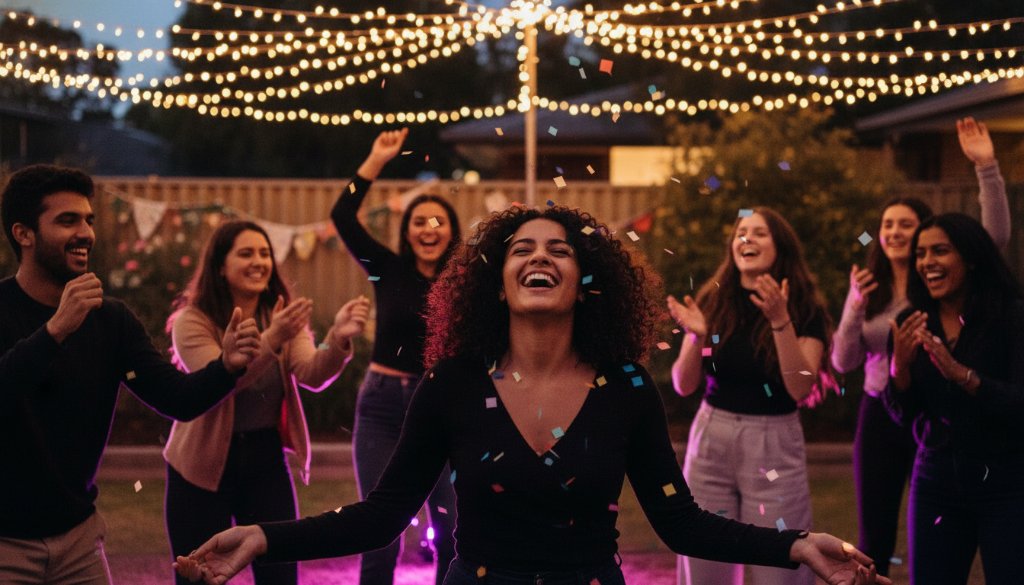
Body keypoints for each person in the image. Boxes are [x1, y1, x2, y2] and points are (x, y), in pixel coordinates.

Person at [175, 205, 889, 585]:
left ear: (586, 281)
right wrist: (265, 536)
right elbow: (382, 514)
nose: (540, 255)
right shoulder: (452, 383)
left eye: (559, 249)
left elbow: (682, 524)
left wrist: (799, 545)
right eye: (521, 248)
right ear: (497, 282)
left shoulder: (627, 387)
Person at [0, 164, 261, 584]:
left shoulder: (110, 320)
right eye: (67, 221)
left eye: (88, 220)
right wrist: (55, 331)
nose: (85, 233)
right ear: (23, 234)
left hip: (78, 541)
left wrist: (226, 367)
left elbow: (177, 398)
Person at [830, 116, 1010, 576]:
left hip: (948, 422)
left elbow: (992, 240)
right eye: (887, 224)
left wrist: (986, 168)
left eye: (906, 224)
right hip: (884, 406)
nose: (894, 231)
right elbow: (843, 361)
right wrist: (855, 308)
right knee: (876, 532)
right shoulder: (871, 292)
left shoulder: (949, 295)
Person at [162, 220, 371, 585]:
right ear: (220, 266)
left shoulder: (281, 317)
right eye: (246, 254)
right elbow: (218, 382)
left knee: (280, 573)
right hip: (199, 465)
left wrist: (336, 338)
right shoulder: (192, 321)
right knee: (198, 576)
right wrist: (273, 337)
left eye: (264, 253)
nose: (259, 262)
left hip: (265, 457)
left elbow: (311, 371)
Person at [668, 207, 835, 585]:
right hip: (712, 439)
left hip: (773, 446)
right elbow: (683, 384)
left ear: (780, 246)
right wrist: (696, 336)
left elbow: (800, 387)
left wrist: (779, 320)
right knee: (703, 560)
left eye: (760, 232)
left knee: (779, 567)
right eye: (741, 232)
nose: (747, 238)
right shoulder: (715, 299)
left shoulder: (803, 307)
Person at [331, 128, 461, 585]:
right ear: (406, 231)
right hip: (383, 407)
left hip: (442, 409)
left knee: (452, 530)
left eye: (438, 221)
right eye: (419, 221)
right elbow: (342, 215)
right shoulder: (387, 269)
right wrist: (374, 161)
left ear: (452, 231)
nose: (429, 229)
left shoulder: (467, 282)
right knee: (379, 532)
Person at [885, 213, 1023, 585]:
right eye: (921, 254)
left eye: (940, 251)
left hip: (1007, 480)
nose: (927, 262)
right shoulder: (913, 322)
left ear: (971, 257)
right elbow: (904, 414)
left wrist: (963, 375)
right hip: (937, 480)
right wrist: (899, 370)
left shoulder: (1010, 317)